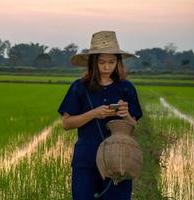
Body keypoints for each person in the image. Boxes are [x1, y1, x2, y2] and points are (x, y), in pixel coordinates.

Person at [57, 31, 143, 200]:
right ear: (93, 63)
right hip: (86, 161)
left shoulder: (126, 88)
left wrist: (126, 115)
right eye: (102, 62)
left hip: (119, 160)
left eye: (111, 62)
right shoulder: (79, 87)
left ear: (118, 62)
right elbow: (66, 123)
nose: (106, 67)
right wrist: (94, 113)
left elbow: (134, 128)